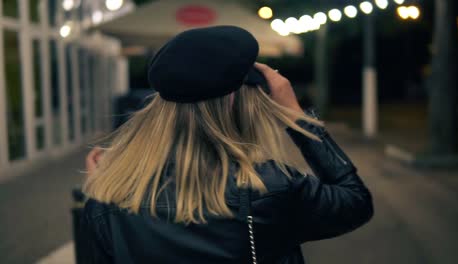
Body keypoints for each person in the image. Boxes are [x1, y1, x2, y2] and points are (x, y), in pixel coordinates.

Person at [83, 26, 373, 264]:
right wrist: (298, 120)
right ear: (235, 101)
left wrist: (107, 185)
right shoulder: (272, 188)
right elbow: (356, 203)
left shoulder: (107, 198)